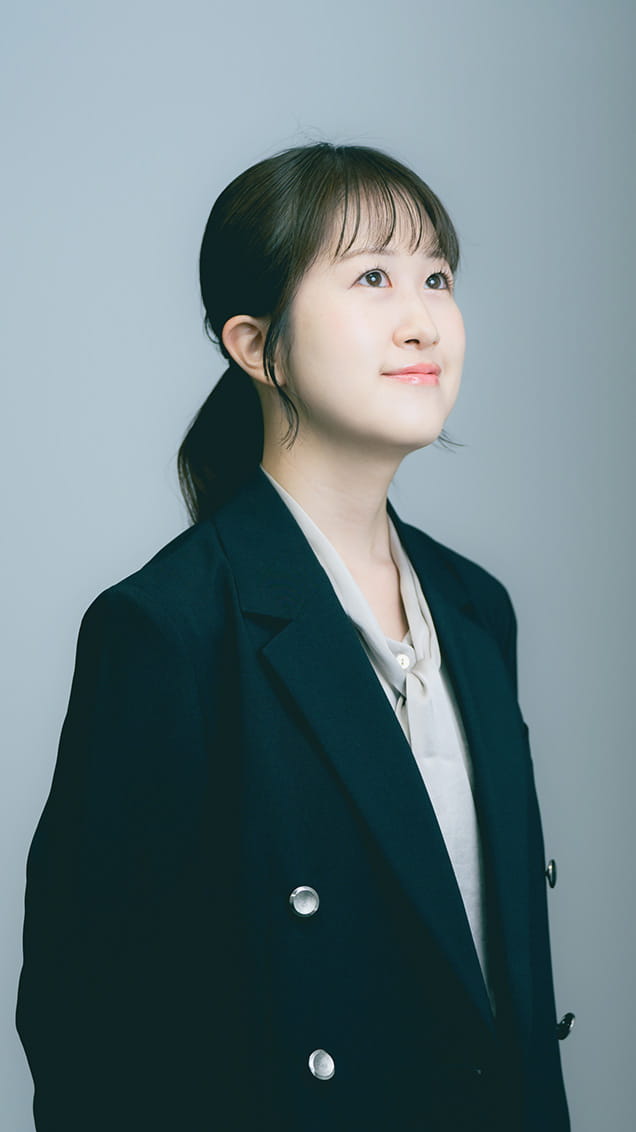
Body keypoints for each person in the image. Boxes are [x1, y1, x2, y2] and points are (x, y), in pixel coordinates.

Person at [16, 141, 572, 1131]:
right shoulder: (168, 630)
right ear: (256, 345)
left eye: (437, 277)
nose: (422, 319)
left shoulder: (477, 609)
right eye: (372, 277)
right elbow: (84, 1027)